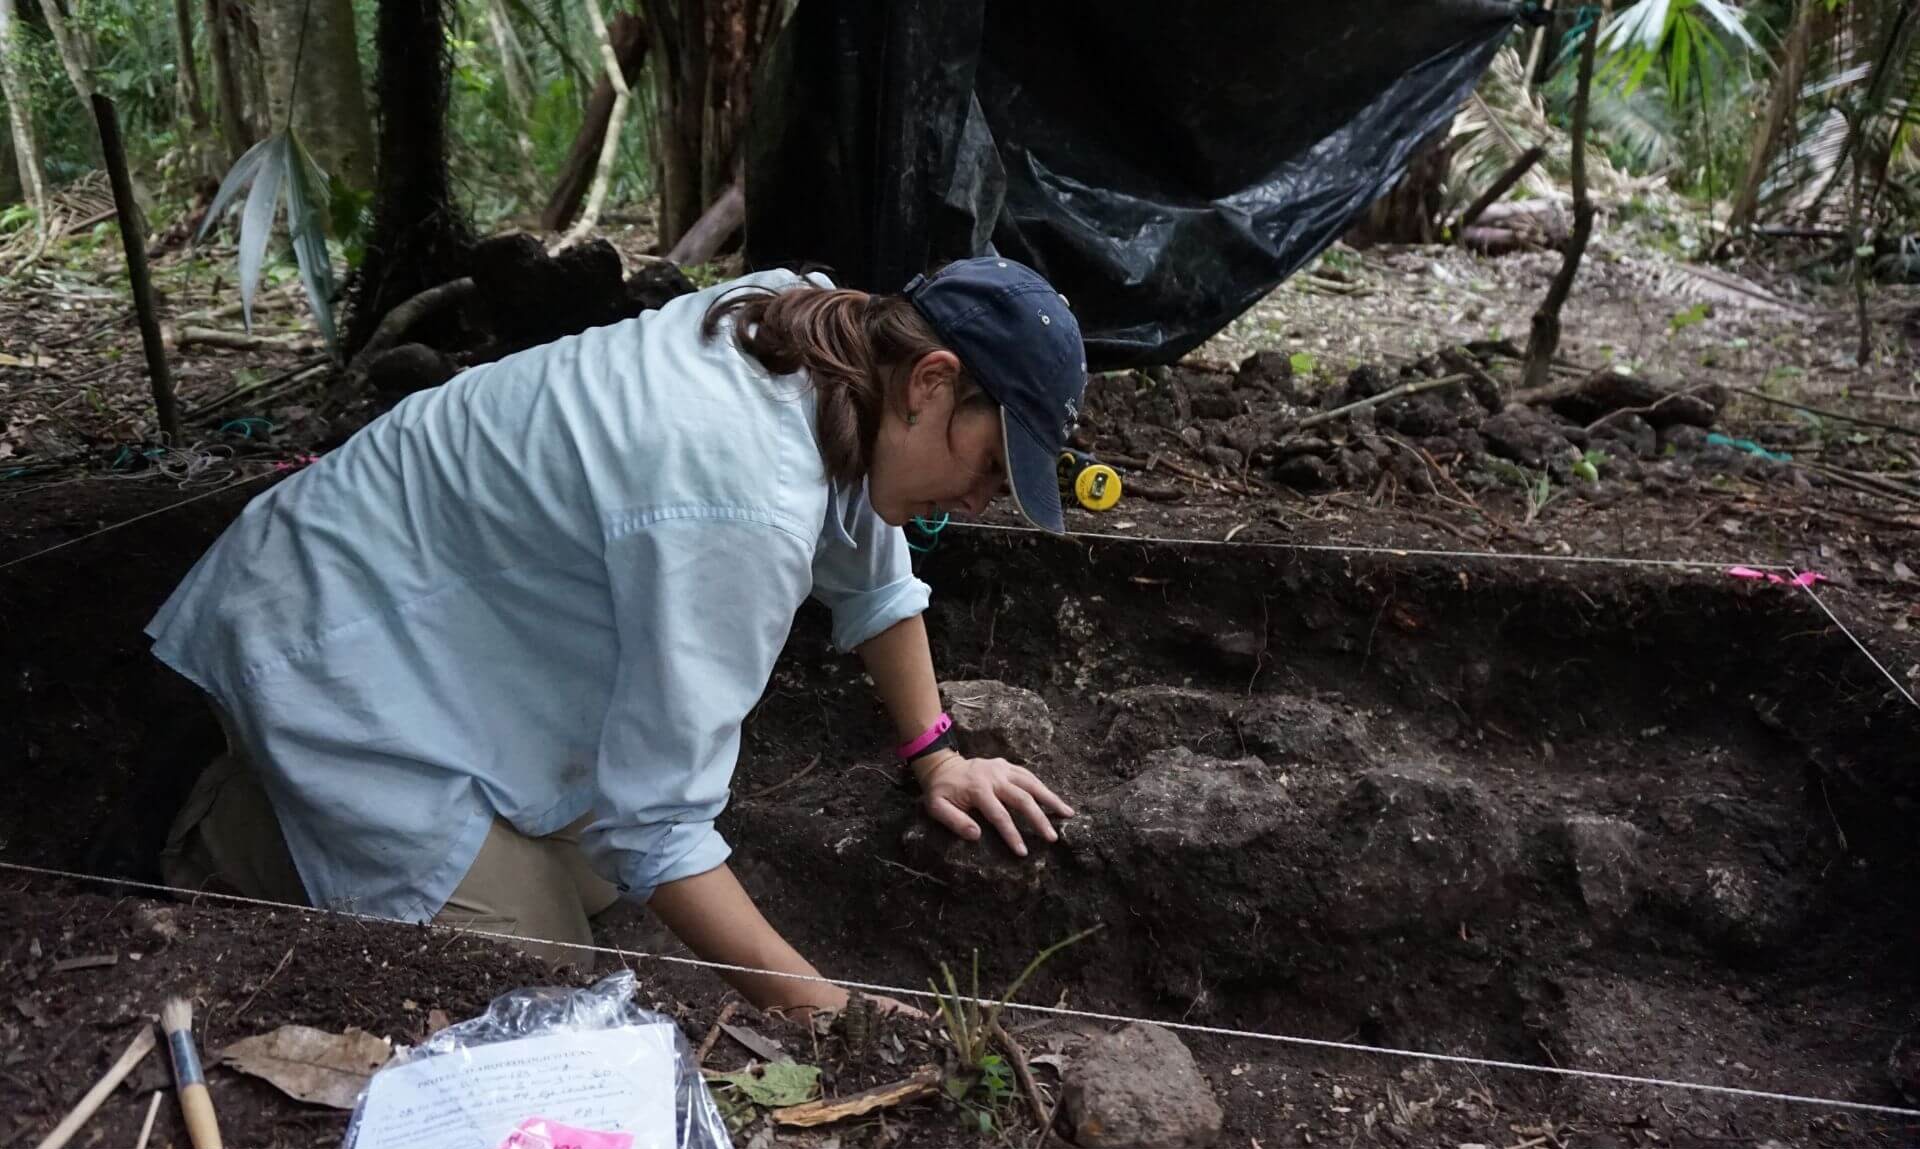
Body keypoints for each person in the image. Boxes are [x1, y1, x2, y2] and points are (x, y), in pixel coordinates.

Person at [147, 256, 1086, 1015]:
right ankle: (231, 837)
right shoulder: (741, 491)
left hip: (445, 608)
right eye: (992, 466)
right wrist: (832, 1016)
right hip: (328, 629)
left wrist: (938, 756)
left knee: (597, 886)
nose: (976, 503)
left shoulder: (814, 333)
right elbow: (660, 827)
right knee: (543, 986)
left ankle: (310, 802)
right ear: (931, 379)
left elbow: (871, 554)